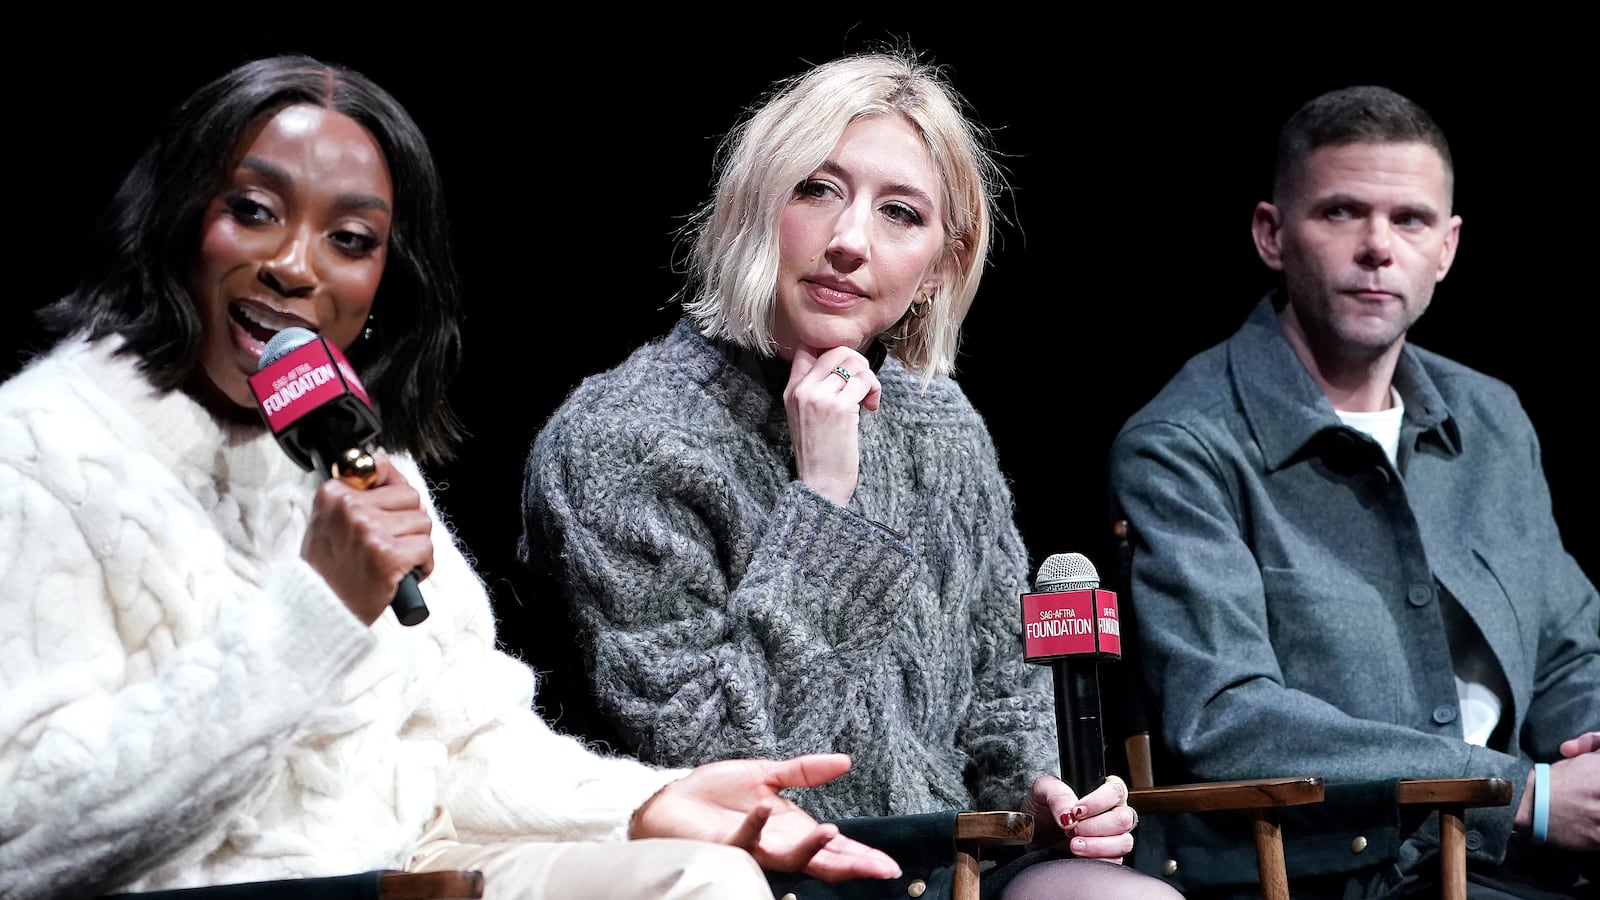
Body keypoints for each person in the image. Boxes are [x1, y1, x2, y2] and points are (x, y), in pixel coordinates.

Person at [0, 54, 909, 900]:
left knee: (705, 879)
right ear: (174, 216)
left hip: (411, 856)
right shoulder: (43, 446)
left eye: (350, 239)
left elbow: (466, 740)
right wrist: (317, 608)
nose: (294, 265)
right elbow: (25, 839)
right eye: (253, 211)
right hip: (222, 884)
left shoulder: (350, 443)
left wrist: (647, 805)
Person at [520, 50, 1178, 899]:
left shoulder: (942, 425)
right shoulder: (623, 439)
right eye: (816, 190)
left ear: (941, 264)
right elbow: (708, 764)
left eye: (901, 213)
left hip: (954, 874)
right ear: (753, 204)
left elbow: (1007, 704)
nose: (849, 242)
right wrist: (824, 500)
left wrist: (1039, 800)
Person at [1107, 84, 1600, 898]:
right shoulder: (1183, 445)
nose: (1378, 247)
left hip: (1519, 866)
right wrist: (1524, 792)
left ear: (1446, 247)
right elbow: (1228, 719)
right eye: (1340, 213)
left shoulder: (1492, 418)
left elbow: (1568, 648)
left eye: (1409, 220)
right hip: (1338, 867)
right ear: (1272, 234)